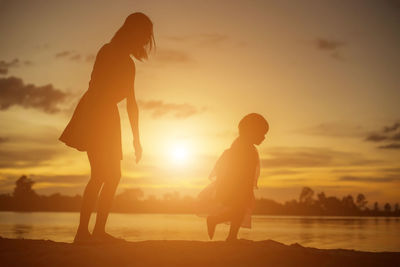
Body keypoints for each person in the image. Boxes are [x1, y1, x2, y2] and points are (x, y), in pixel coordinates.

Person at [59, 12, 155, 243]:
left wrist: (137, 139)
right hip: (94, 113)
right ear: (132, 31)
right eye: (144, 35)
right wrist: (99, 119)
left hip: (108, 116)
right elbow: (99, 88)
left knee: (113, 176)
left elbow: (131, 102)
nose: (145, 41)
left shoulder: (129, 64)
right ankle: (83, 232)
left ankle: (98, 231)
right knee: (101, 175)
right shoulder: (108, 51)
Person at [199, 113, 269, 241]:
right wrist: (246, 189)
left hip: (235, 184)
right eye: (262, 133)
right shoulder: (244, 148)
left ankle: (231, 235)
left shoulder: (243, 146)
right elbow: (241, 171)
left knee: (239, 210)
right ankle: (215, 221)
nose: (264, 137)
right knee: (239, 209)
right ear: (251, 132)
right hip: (235, 185)